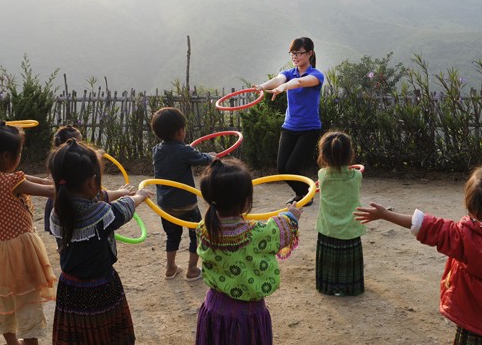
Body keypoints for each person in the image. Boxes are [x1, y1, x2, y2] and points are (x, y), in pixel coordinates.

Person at [354, 165, 482, 344]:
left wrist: (385, 214)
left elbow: (424, 225)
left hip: (474, 321)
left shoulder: (463, 236)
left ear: (473, 208)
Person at [48, 138, 153, 345]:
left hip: (70, 287)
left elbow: (97, 197)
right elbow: (124, 209)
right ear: (92, 182)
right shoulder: (101, 214)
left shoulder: (57, 210)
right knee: (108, 336)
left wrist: (120, 193)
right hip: (101, 287)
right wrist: (139, 196)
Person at [0, 123, 56, 345]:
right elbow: (50, 190)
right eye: (19, 153)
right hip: (20, 251)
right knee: (27, 301)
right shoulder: (10, 181)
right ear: (7, 156)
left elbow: (42, 181)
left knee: (3, 301)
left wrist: (49, 181)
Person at [195, 158, 301, 345]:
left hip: (214, 308)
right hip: (247, 315)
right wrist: (292, 215)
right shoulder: (256, 234)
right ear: (246, 202)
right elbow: (278, 229)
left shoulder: (204, 228)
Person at [253, 37, 324, 205]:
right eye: (293, 53)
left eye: (299, 53)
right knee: (282, 168)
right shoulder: (288, 73)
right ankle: (303, 193)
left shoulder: (316, 75)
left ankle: (305, 196)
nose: (295, 56)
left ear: (310, 53)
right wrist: (263, 86)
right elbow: (279, 79)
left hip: (309, 129)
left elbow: (298, 82)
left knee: (292, 167)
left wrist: (283, 88)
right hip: (289, 127)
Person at [151, 107, 215, 281]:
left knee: (172, 236)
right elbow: (203, 159)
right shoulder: (185, 151)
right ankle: (192, 270)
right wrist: (212, 157)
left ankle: (170, 268)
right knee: (197, 235)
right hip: (186, 205)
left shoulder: (157, 150)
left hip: (166, 206)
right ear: (180, 132)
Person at [44, 125, 134, 238]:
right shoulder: (94, 207)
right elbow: (108, 202)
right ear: (92, 182)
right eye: (81, 142)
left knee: (64, 236)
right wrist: (135, 195)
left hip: (59, 205)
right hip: (69, 207)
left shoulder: (58, 162)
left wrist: (121, 192)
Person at [315, 131, 365, 296]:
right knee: (348, 259)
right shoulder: (356, 176)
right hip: (350, 229)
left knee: (330, 259)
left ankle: (328, 286)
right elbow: (347, 173)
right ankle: (351, 287)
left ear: (323, 155)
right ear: (350, 154)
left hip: (328, 228)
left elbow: (332, 171)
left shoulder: (322, 176)